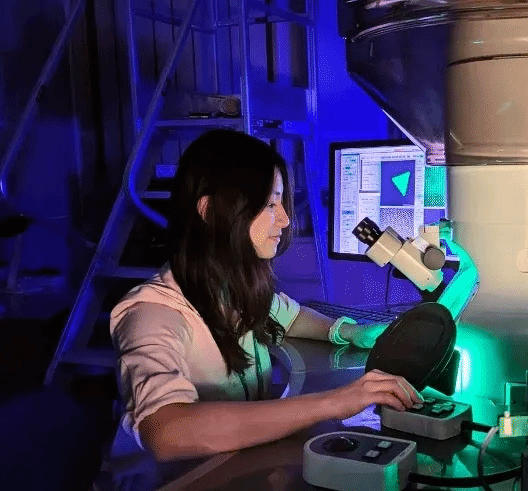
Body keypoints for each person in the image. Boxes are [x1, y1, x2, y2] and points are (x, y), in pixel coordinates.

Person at [110, 129, 421, 462]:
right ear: (210, 210)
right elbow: (165, 431)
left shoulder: (232, 289)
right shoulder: (152, 313)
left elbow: (291, 315)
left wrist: (349, 331)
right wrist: (336, 401)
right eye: (271, 203)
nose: (285, 220)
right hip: (187, 485)